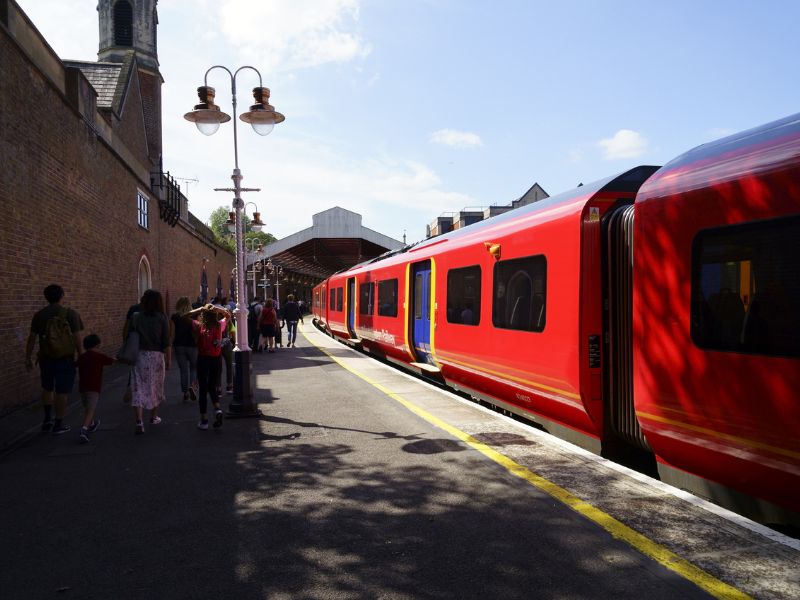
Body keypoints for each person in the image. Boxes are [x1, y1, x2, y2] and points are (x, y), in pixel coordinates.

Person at [25, 284, 84, 435]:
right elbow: (77, 338)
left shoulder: (39, 315)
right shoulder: (71, 314)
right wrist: (81, 355)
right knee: (62, 391)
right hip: (65, 358)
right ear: (62, 296)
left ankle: (46, 419)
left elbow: (32, 338)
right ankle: (59, 423)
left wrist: (28, 357)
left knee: (47, 388)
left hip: (46, 358)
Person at [128, 289, 171, 435]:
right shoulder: (162, 317)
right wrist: (169, 360)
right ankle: (153, 416)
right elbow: (166, 341)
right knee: (156, 385)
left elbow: (129, 335)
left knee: (138, 387)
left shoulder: (137, 317)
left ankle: (139, 421)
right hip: (157, 355)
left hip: (139, 355)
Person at [188, 303, 229, 430]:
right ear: (215, 314)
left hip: (203, 358)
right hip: (216, 359)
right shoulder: (220, 325)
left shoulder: (199, 325)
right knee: (213, 385)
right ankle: (217, 409)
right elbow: (228, 315)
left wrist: (200, 309)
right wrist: (219, 309)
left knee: (203, 389)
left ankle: (204, 419)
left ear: (203, 314)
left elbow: (184, 316)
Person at [76, 334, 115, 444]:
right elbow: (112, 360)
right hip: (93, 388)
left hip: (82, 388)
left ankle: (92, 424)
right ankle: (83, 430)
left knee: (87, 407)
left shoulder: (82, 357)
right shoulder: (99, 356)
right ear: (97, 345)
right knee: (91, 409)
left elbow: (75, 364)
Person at [170, 296, 198, 403]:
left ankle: (185, 392)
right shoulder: (193, 315)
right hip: (192, 346)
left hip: (179, 345)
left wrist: (170, 346)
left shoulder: (174, 317)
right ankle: (192, 387)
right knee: (193, 368)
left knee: (183, 370)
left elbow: (172, 334)